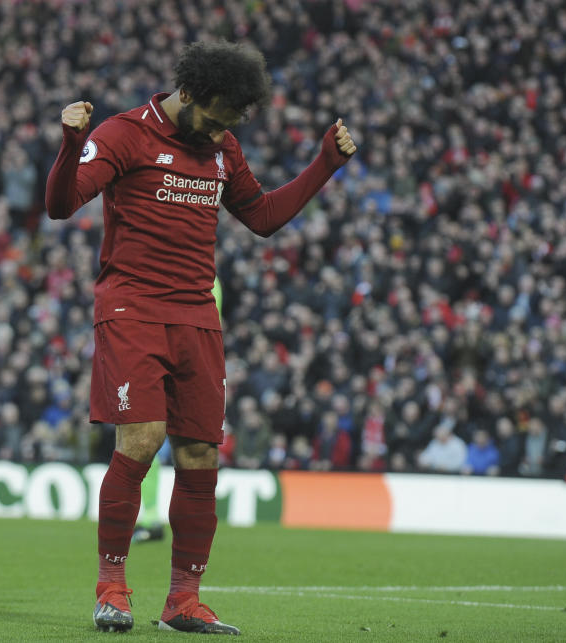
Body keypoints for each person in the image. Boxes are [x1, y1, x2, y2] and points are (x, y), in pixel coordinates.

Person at [45, 41, 356, 634]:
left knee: (200, 456)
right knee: (142, 438)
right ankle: (112, 588)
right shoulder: (122, 134)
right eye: (215, 119)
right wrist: (67, 143)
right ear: (188, 94)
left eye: (230, 124)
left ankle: (183, 602)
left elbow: (262, 217)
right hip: (132, 307)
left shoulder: (223, 147)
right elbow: (61, 206)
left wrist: (324, 165)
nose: (221, 133)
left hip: (196, 314)